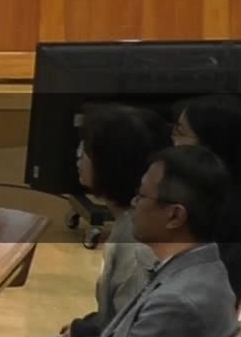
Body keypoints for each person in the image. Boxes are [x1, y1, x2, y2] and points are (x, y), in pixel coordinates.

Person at [98, 147, 240, 337]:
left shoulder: (176, 302)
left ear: (175, 216)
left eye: (142, 196)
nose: (134, 203)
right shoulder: (197, 267)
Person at [64, 105, 172, 337]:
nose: (79, 155)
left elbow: (132, 328)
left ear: (112, 163)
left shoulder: (138, 245)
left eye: (87, 150)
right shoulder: (129, 222)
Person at [171, 95, 241, 297]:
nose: (172, 141)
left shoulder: (218, 210)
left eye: (180, 132)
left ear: (210, 148)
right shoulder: (226, 195)